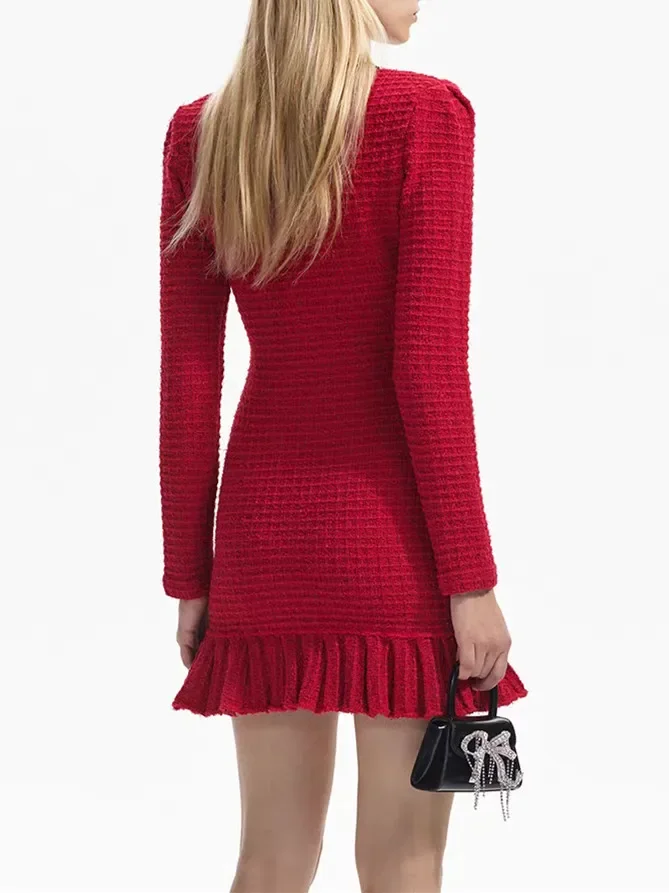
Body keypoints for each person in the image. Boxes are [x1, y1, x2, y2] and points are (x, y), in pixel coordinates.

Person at [158, 1, 528, 890]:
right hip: (394, 544)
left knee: (270, 857)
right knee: (403, 860)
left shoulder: (202, 134)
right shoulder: (424, 116)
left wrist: (192, 578)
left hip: (261, 542)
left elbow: (187, 381)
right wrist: (470, 580)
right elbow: (424, 370)